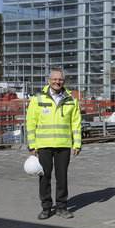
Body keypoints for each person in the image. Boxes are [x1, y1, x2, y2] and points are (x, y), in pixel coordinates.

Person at [26, 70, 82, 220]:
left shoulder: (71, 99)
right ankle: (46, 208)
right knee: (45, 177)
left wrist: (77, 143)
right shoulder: (37, 98)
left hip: (63, 145)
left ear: (64, 81)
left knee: (62, 177)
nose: (57, 82)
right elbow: (31, 123)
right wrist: (32, 145)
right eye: (54, 79)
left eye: (60, 79)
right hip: (43, 145)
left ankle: (62, 207)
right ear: (49, 80)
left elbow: (76, 123)